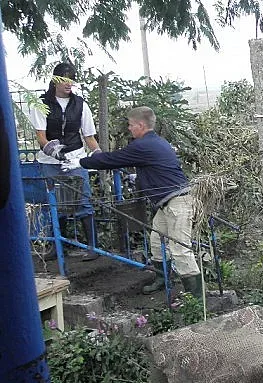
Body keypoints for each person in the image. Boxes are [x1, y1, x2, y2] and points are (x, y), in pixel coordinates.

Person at [70, 106, 203, 298]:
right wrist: (136, 177)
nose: (129, 129)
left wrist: (81, 163)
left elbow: (114, 159)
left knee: (180, 249)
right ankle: (161, 279)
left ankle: (197, 299)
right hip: (167, 203)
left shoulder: (143, 145)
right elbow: (154, 169)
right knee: (157, 242)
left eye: (131, 125)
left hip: (177, 203)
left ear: (141, 125)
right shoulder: (157, 142)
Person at [28, 62, 102, 260]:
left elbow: (89, 137)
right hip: (50, 160)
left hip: (76, 158)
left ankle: (93, 247)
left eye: (71, 80)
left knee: (83, 201)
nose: (69, 84)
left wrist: (99, 156)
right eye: (64, 80)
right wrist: (53, 150)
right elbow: (41, 136)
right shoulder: (41, 103)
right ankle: (58, 246)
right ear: (55, 81)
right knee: (55, 203)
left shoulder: (80, 104)